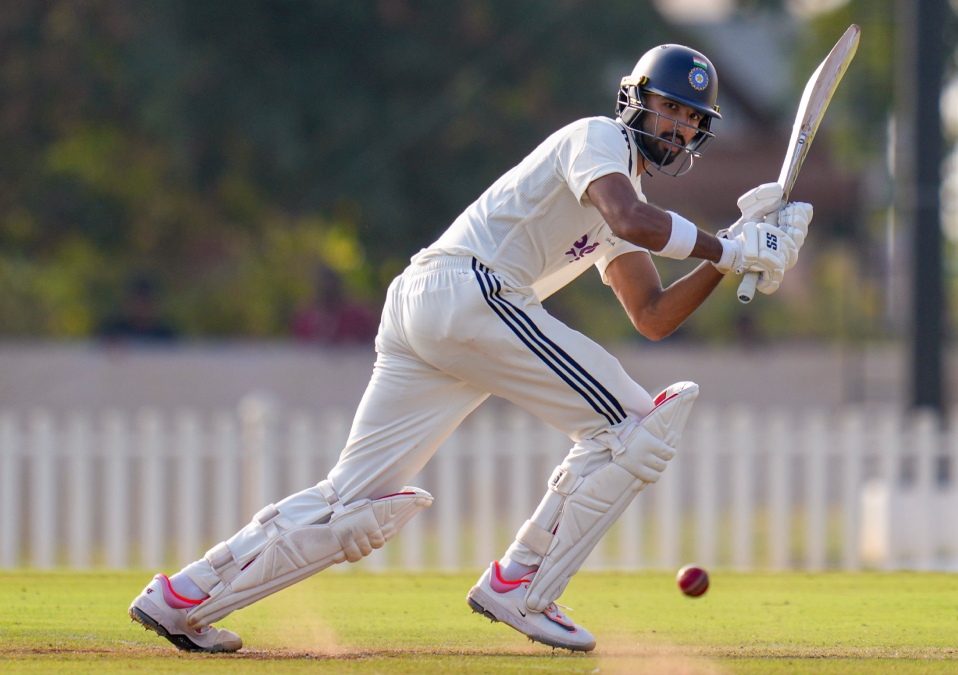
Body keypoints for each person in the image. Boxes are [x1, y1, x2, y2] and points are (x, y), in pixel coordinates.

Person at [128, 43, 813, 654]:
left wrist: (732, 253)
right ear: (635, 100)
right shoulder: (598, 138)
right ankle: (522, 585)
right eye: (670, 108)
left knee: (352, 505)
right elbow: (629, 217)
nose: (679, 127)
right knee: (637, 427)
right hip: (470, 290)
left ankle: (185, 596)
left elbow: (653, 315)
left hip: (433, 307)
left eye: (692, 119)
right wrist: (730, 249)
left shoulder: (626, 194)